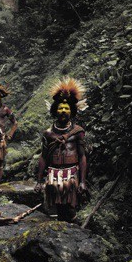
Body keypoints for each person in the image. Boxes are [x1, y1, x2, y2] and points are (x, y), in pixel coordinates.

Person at [34, 77, 89, 222]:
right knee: (58, 206)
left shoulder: (78, 131)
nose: (63, 110)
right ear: (55, 111)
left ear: (71, 111)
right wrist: (39, 180)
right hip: (54, 174)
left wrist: (83, 181)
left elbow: (82, 156)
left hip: (72, 173)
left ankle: (73, 226)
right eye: (60, 108)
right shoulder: (48, 133)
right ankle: (63, 230)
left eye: (66, 108)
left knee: (70, 207)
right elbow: (43, 156)